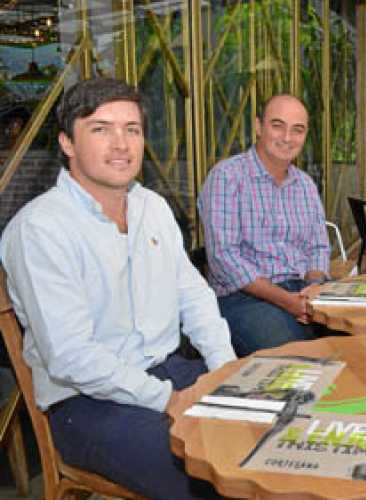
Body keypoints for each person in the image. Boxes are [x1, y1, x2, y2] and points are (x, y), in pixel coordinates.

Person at [0, 78, 235, 499]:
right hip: (88, 403)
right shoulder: (39, 229)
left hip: (172, 371)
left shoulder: (153, 208)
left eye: (132, 129)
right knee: (214, 475)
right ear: (67, 143)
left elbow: (195, 297)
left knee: (276, 429)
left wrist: (224, 370)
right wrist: (169, 400)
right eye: (101, 129)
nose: (121, 144)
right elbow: (72, 357)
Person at [198, 94, 330, 357]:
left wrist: (315, 286)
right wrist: (287, 301)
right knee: (300, 360)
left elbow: (318, 247)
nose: (287, 137)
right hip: (245, 298)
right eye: (278, 125)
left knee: (361, 337)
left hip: (303, 289)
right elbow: (224, 258)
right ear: (258, 126)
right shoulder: (226, 177)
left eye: (298, 130)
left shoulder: (305, 185)